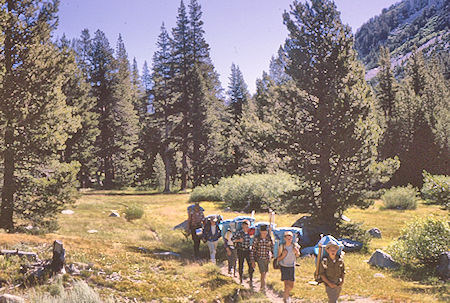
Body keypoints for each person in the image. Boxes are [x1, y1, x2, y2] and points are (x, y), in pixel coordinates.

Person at [277, 231, 300, 303]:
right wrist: (283, 255)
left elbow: (298, 255)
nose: (289, 239)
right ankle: (286, 298)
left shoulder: (294, 246)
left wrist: (296, 252)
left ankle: (285, 295)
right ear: (284, 238)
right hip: (284, 266)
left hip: (292, 266)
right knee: (286, 283)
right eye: (287, 238)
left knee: (291, 285)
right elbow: (278, 258)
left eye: (290, 238)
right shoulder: (282, 246)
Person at [250, 224, 273, 293]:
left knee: (265, 272)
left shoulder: (269, 238)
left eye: (265, 233)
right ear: (260, 232)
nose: (264, 234)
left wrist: (273, 255)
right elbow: (253, 250)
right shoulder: (257, 239)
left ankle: (262, 285)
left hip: (267, 258)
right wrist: (252, 261)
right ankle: (262, 287)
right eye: (263, 233)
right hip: (259, 258)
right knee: (262, 273)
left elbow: (272, 247)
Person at [232, 220, 254, 286]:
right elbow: (232, 239)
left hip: (248, 250)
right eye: (245, 226)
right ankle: (241, 279)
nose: (246, 228)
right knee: (241, 264)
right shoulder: (239, 233)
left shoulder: (251, 233)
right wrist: (238, 240)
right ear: (242, 226)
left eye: (247, 226)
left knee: (250, 265)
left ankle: (251, 280)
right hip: (240, 250)